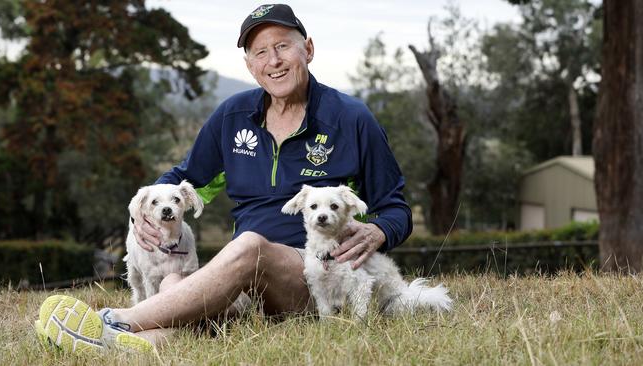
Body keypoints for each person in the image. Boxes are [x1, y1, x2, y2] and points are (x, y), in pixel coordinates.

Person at [35, 4, 412, 353]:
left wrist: (378, 231)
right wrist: (141, 215)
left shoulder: (351, 118)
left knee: (249, 247)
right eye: (260, 52)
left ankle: (114, 321)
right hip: (243, 274)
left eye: (283, 46)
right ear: (249, 64)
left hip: (319, 277)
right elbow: (185, 179)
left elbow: (396, 208)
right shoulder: (232, 116)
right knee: (175, 285)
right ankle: (123, 347)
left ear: (308, 49)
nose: (274, 61)